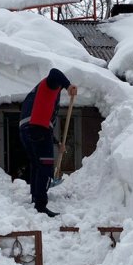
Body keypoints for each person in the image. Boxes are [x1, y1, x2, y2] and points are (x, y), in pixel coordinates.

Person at [19, 68, 78, 217]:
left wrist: (57, 142)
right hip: (37, 129)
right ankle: (41, 205)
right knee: (45, 167)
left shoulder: (39, 95)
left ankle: (35, 198)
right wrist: (68, 85)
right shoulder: (50, 84)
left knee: (37, 165)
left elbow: (43, 120)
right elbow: (54, 71)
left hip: (27, 130)